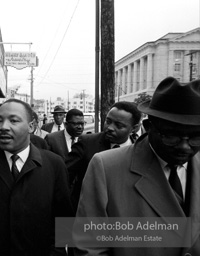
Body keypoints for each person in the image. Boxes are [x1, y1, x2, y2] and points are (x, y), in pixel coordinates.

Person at [74, 77, 200, 255]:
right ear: (149, 127)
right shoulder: (106, 167)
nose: (185, 146)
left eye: (196, 137)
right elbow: (90, 246)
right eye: (172, 136)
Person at [0, 98, 72, 256]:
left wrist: (57, 252)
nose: (3, 127)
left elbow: (64, 219)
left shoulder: (54, 165)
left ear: (31, 126)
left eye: (13, 121)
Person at [67, 101, 142, 214]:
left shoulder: (140, 152)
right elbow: (65, 177)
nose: (110, 127)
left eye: (119, 125)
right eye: (108, 121)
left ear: (134, 128)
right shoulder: (87, 143)